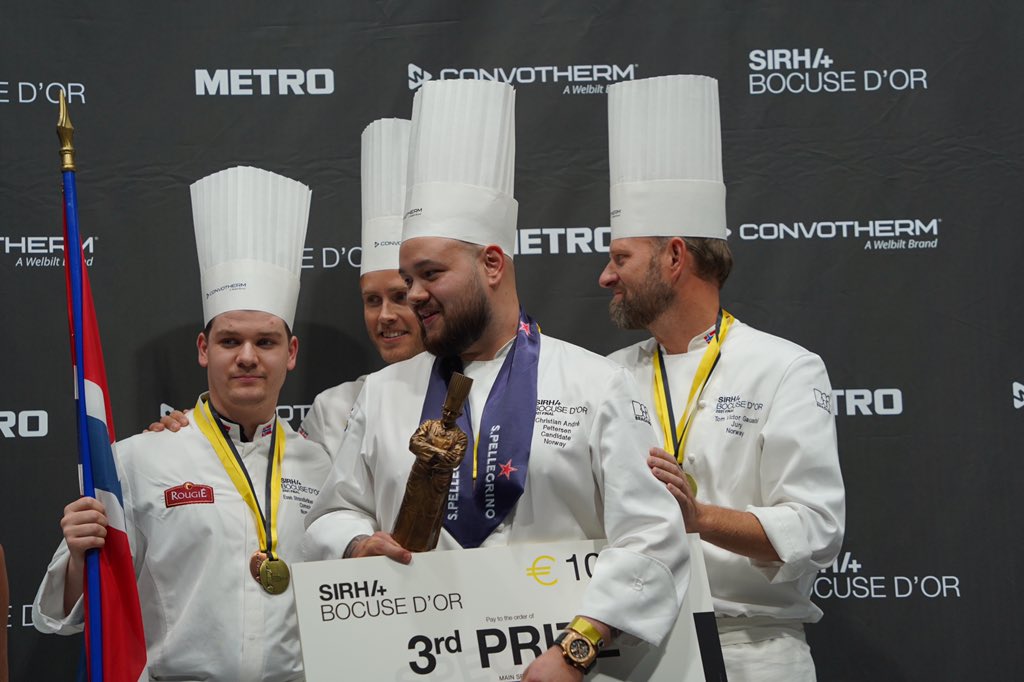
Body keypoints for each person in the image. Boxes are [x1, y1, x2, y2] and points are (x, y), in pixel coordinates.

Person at [303, 79, 689, 682]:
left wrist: (576, 650)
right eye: (407, 279)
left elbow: (652, 539)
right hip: (421, 663)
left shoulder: (597, 384)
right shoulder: (383, 394)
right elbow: (329, 517)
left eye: (430, 273)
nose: (413, 295)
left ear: (491, 263)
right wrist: (356, 543)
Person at [33, 166, 332, 681]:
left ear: (291, 353)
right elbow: (60, 618)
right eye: (229, 340)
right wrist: (80, 557)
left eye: (265, 342)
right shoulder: (139, 459)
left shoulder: (323, 467)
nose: (247, 357)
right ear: (203, 349)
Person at [599, 74, 846, 682]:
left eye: (620, 257)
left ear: (674, 257)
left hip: (751, 650)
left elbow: (816, 529)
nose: (605, 276)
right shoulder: (606, 377)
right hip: (632, 653)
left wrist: (698, 517)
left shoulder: (784, 368)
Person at [152, 119, 424, 456]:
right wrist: (180, 439)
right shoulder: (336, 410)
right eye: (372, 299)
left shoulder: (476, 388)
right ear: (204, 349)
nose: (385, 315)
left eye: (400, 297)